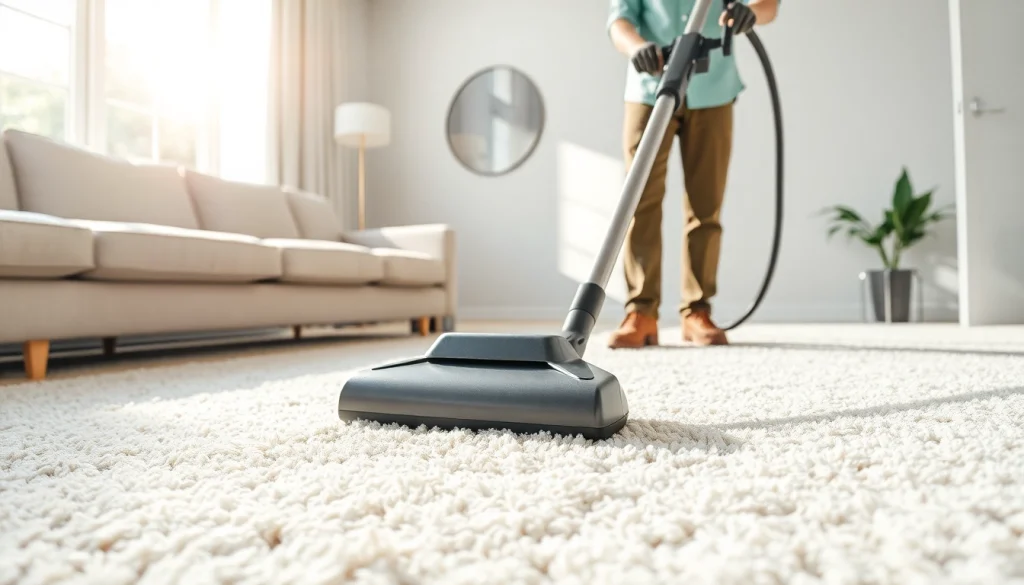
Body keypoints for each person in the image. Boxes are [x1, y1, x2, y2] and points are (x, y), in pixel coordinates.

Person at [606, 0, 779, 348]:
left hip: (713, 88)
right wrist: (637, 47)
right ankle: (641, 313)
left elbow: (768, 6)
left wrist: (750, 15)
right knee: (639, 203)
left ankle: (696, 311)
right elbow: (619, 20)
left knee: (705, 206)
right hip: (650, 88)